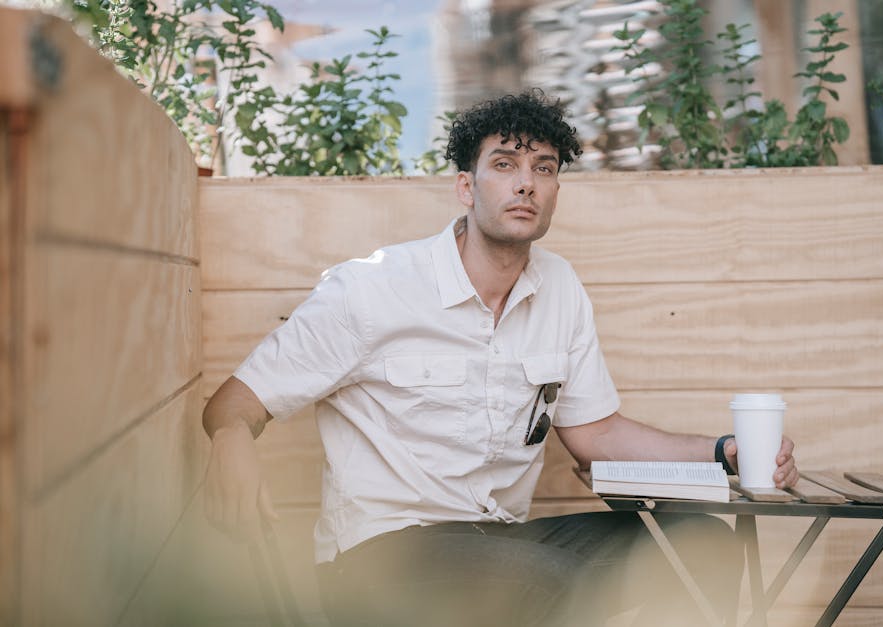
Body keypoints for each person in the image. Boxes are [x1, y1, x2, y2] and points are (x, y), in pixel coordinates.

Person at [202, 89, 799, 626]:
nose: (526, 184)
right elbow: (233, 403)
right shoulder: (371, 289)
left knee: (700, 541)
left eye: (544, 169)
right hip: (382, 555)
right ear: (467, 186)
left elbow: (596, 432)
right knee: (545, 584)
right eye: (505, 165)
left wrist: (722, 451)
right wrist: (230, 443)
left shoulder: (560, 288)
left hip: (504, 543)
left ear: (555, 190)